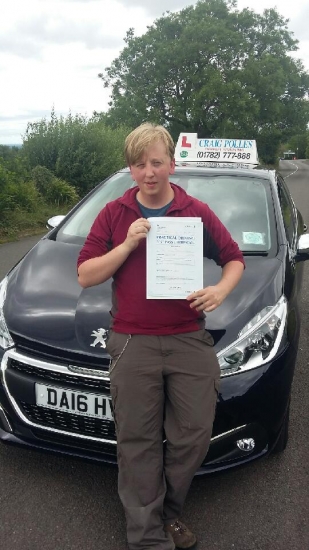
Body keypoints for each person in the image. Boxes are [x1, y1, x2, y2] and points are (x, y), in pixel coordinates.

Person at [77, 123, 245, 550]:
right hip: (132, 341)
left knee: (193, 433)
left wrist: (220, 290)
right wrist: (127, 245)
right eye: (139, 164)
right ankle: (147, 536)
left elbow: (234, 259)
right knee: (138, 440)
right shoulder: (115, 213)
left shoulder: (195, 211)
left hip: (188, 337)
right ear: (130, 169)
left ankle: (167, 512)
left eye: (156, 162)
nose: (148, 172)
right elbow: (85, 275)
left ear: (171, 164)